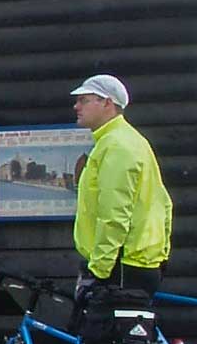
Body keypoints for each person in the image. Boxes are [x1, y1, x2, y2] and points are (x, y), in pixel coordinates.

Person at [70, 73, 172, 295]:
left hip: (120, 266)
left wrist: (98, 271)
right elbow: (164, 203)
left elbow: (114, 215)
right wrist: (161, 256)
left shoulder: (117, 146)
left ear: (107, 103)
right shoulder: (128, 140)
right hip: (134, 263)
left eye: (84, 100)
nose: (76, 106)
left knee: (104, 329)